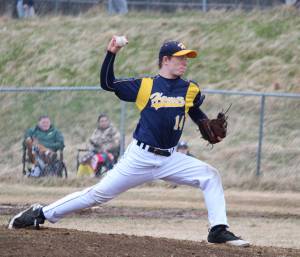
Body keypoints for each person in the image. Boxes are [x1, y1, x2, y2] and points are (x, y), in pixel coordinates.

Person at [9, 37, 249, 247]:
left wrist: (206, 125)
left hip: (170, 159)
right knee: (98, 195)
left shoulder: (190, 89)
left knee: (210, 175)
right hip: (140, 157)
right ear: (165, 60)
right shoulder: (145, 86)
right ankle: (41, 213)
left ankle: (217, 229)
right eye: (180, 58)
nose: (185, 62)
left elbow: (194, 110)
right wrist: (111, 54)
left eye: (187, 58)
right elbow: (107, 83)